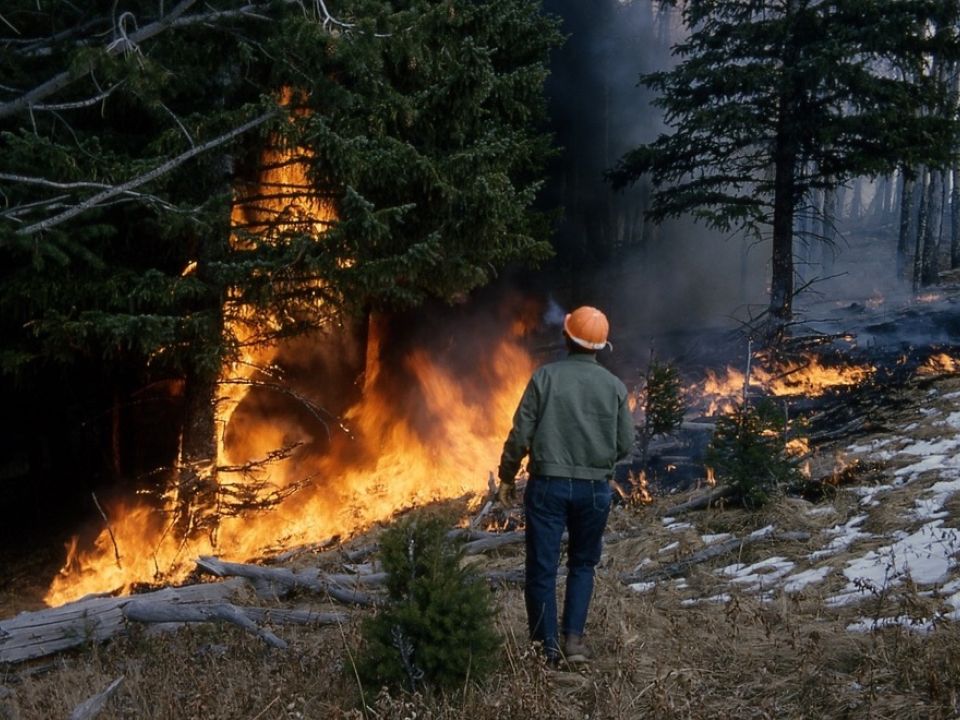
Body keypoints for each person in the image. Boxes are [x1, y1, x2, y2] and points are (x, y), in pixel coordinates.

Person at [496, 305, 635, 665]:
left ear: (566, 337)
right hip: (594, 490)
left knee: (542, 567)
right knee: (582, 565)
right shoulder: (615, 387)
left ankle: (546, 649)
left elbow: (520, 434)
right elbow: (625, 445)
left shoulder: (545, 378)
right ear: (602, 346)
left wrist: (507, 477)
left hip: (548, 487)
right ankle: (573, 642)